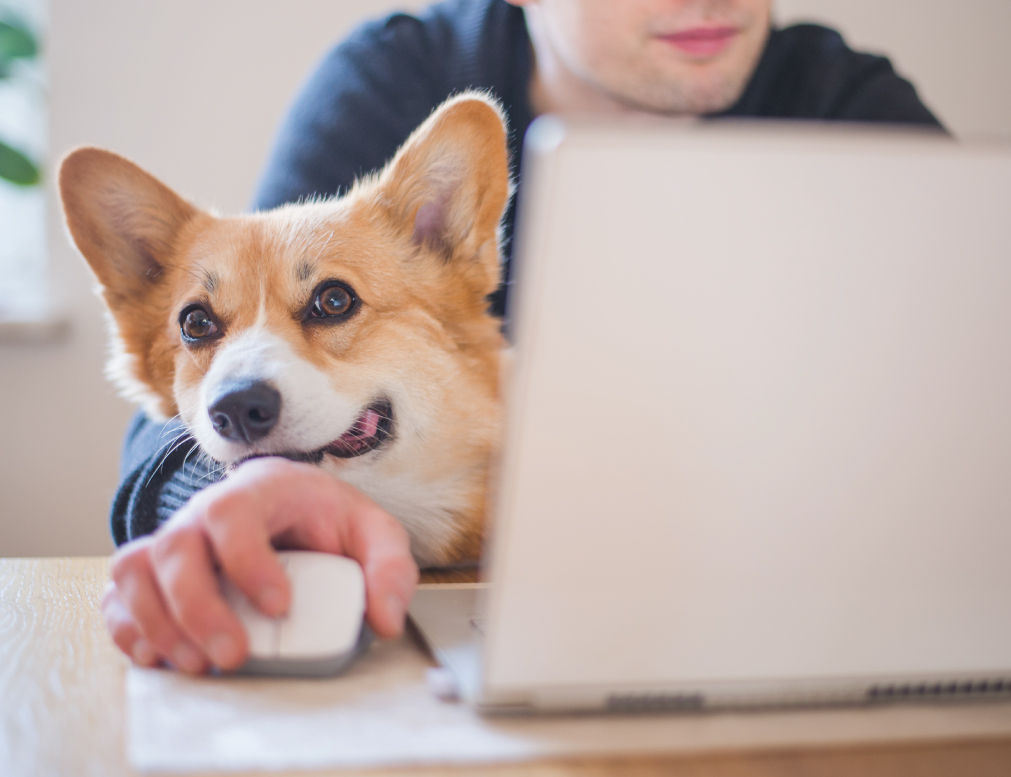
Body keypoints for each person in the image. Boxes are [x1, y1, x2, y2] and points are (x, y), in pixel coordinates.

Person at [104, 0, 944, 673]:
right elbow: (191, 399)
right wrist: (238, 500)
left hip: (832, 607)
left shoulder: (840, 100)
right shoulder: (397, 75)